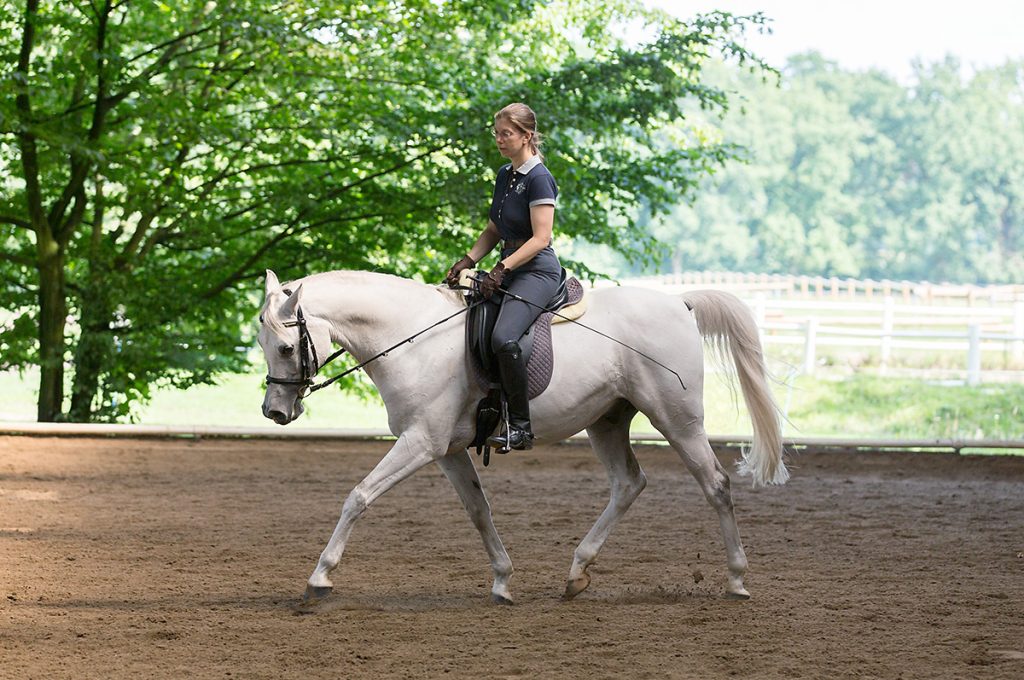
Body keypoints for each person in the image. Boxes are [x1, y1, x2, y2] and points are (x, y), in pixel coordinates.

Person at [445, 103, 562, 451]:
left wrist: (501, 269)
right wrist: (467, 260)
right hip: (508, 266)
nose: (499, 139)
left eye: (506, 133)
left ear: (526, 136)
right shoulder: (505, 174)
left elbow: (542, 238)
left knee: (504, 337)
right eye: (496, 133)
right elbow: (496, 227)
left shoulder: (539, 178)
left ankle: (521, 426)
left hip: (537, 270)